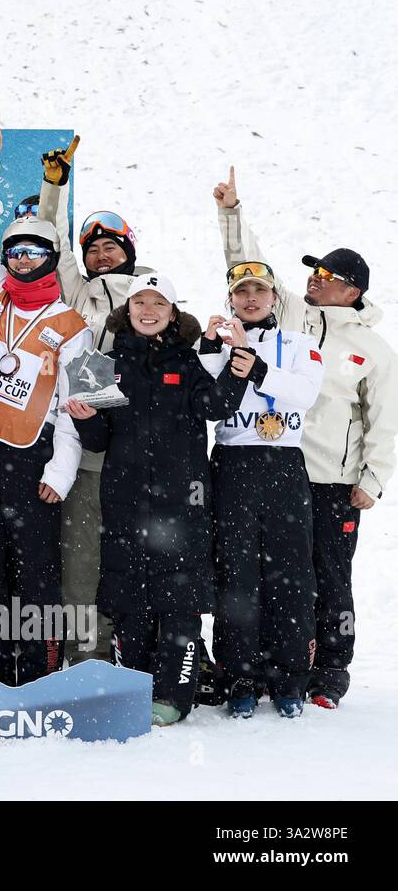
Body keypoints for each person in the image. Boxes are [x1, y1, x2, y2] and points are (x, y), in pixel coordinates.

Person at [214, 167, 395, 709]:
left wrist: (373, 479)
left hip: (336, 480)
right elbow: (247, 267)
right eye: (313, 271)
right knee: (278, 574)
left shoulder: (375, 349)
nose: (315, 279)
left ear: (354, 290)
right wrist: (231, 213)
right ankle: (273, 662)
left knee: (329, 574)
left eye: (328, 274)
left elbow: (385, 419)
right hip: (279, 468)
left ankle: (331, 668)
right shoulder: (292, 313)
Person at [67, 274, 248, 725]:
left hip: (181, 502)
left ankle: (173, 697)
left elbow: (216, 407)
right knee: (130, 600)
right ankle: (136, 688)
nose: (148, 310)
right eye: (140, 303)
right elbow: (98, 440)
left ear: (172, 311)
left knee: (179, 603)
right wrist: (87, 418)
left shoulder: (187, 362)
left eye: (158, 303)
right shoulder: (103, 364)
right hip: (125, 499)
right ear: (127, 311)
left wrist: (238, 370)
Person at [0, 161, 91, 686]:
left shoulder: (71, 325)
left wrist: (61, 471)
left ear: (51, 260)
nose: (23, 260)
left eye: (35, 252)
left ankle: (39, 672)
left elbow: (75, 405)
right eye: (17, 252)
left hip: (37, 456)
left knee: (36, 570)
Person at [38, 138, 155, 664]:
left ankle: (150, 654)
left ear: (129, 251)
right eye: (93, 249)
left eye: (111, 247)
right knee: (82, 559)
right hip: (89, 456)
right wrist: (53, 188)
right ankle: (87, 657)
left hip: (143, 459)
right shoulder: (77, 294)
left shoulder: (156, 299)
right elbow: (50, 241)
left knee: (145, 557)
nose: (101, 255)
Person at [198, 256, 324, 718]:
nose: (251, 299)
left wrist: (259, 371)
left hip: (284, 463)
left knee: (291, 576)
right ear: (229, 300)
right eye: (241, 293)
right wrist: (215, 348)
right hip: (233, 463)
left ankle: (290, 678)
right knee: (237, 577)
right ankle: (240, 677)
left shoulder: (299, 342)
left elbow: (305, 394)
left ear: (274, 297)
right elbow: (205, 399)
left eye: (259, 291)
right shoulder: (216, 343)